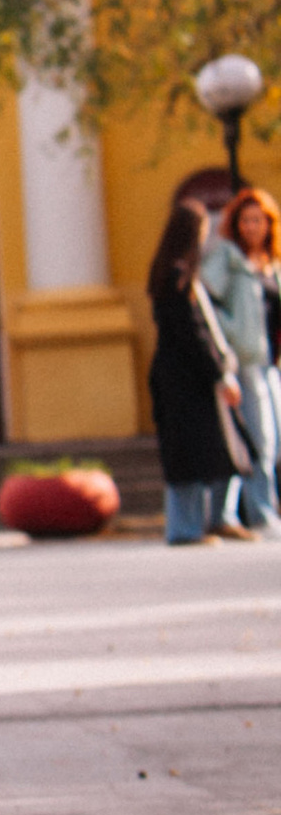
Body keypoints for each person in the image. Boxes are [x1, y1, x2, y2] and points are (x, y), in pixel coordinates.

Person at [146, 196, 243, 547]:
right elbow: (194, 333)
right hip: (186, 378)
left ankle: (198, 523)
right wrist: (218, 374)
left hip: (174, 375)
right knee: (190, 454)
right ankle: (186, 529)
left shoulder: (165, 272)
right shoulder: (179, 277)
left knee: (189, 453)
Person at [200, 189, 281, 536]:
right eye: (246, 220)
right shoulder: (227, 257)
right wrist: (231, 335)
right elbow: (203, 296)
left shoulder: (270, 263)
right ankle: (261, 515)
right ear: (235, 223)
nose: (253, 227)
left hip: (270, 361)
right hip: (246, 360)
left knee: (274, 438)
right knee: (258, 439)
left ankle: (260, 509)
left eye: (258, 220)